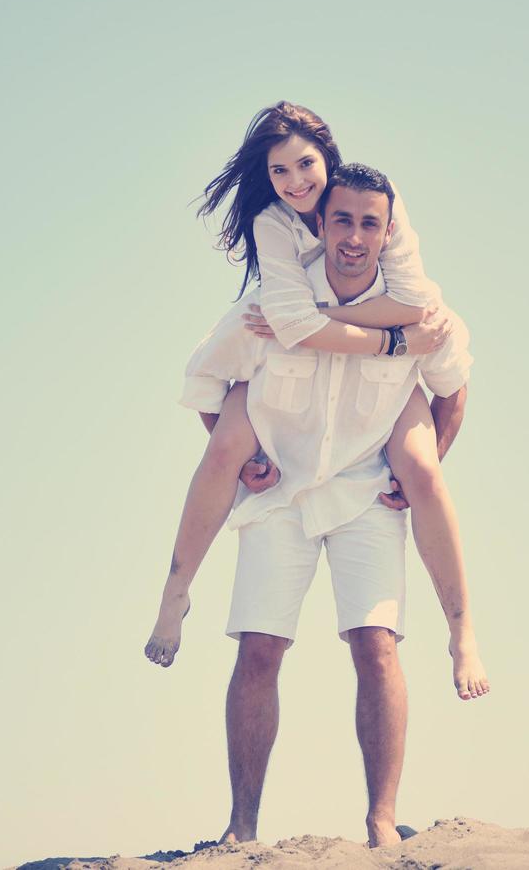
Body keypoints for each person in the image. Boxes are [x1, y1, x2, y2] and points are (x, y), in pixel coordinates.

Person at [144, 102, 489, 702]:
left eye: (307, 164)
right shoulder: (274, 231)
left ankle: (462, 635)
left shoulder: (380, 205)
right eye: (280, 172)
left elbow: (415, 311)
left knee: (426, 471)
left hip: (364, 415)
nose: (297, 182)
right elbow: (206, 377)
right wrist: (295, 327)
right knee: (226, 443)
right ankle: (176, 592)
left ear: (330, 160)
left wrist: (341, 327)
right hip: (282, 398)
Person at [182, 164, 478, 847]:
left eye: (369, 223)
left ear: (388, 231)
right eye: (342, 220)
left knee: (377, 646)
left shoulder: (421, 310)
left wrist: (425, 464)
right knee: (259, 647)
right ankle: (242, 825)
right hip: (280, 495)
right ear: (320, 223)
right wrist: (245, 461)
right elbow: (204, 380)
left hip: (365, 493)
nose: (353, 236)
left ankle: (381, 822)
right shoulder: (275, 304)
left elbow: (453, 389)